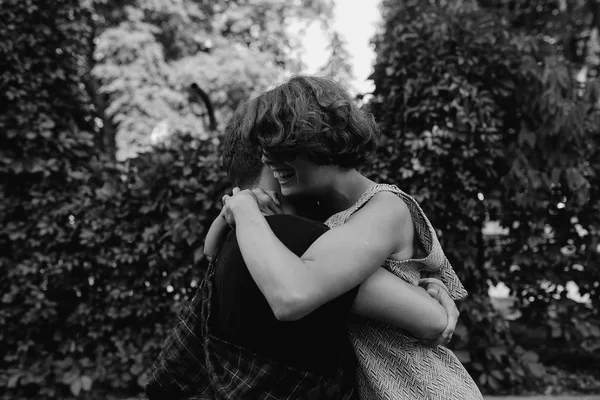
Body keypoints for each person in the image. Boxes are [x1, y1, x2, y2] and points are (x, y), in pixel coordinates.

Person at [145, 103, 457, 400]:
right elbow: (431, 320)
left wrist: (238, 207)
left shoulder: (237, 240)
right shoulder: (296, 240)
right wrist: (429, 291)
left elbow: (209, 250)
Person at [220, 75, 484, 400]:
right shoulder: (319, 211)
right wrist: (234, 207)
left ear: (321, 141)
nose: (267, 159)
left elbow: (294, 294)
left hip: (417, 387)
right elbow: (214, 250)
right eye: (264, 149)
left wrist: (245, 212)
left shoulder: (385, 207)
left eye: (279, 146)